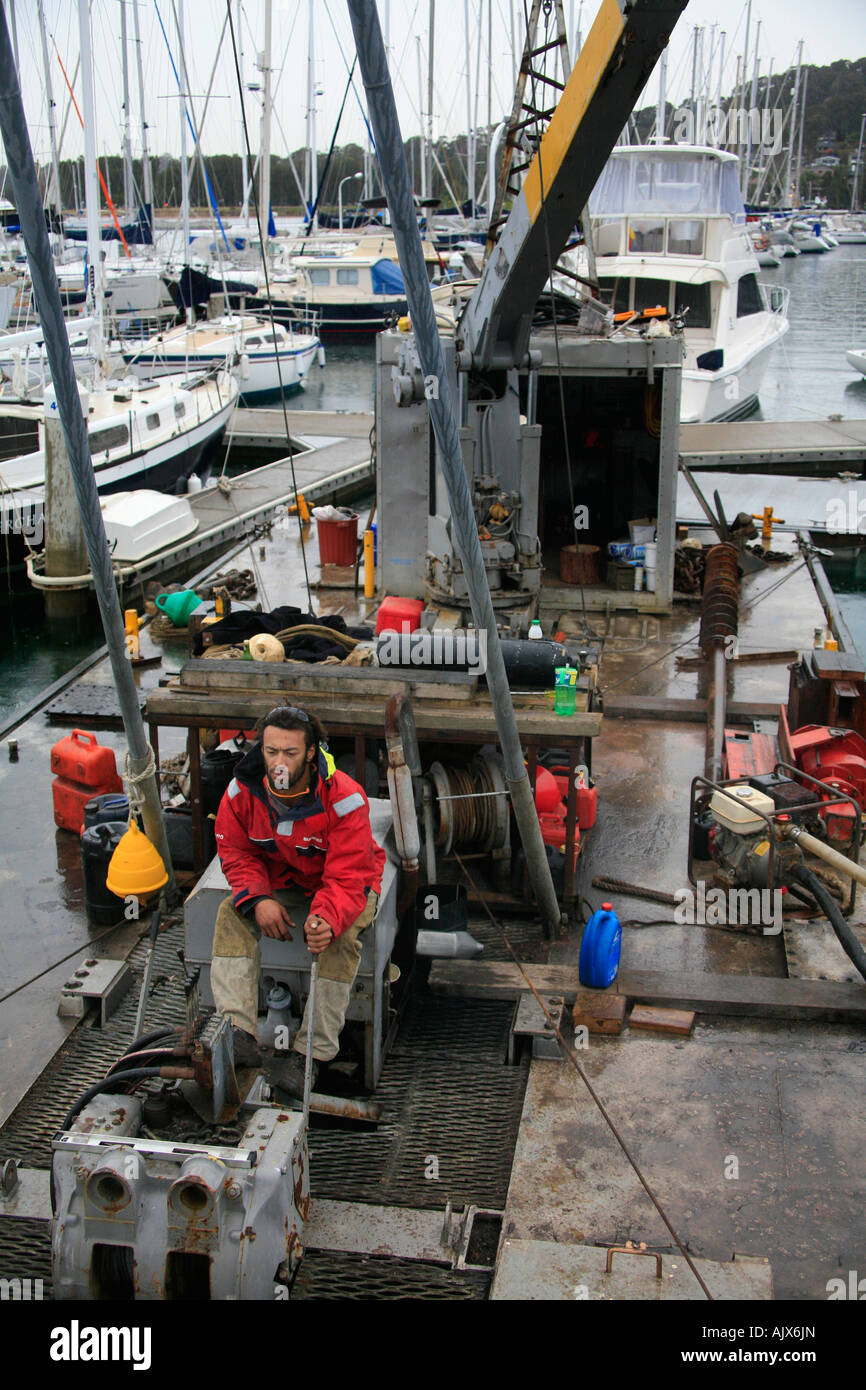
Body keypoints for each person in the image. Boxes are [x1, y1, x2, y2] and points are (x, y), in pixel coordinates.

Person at [211, 704, 385, 1099]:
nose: (278, 763)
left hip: (348, 883)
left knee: (339, 942)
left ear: (310, 753)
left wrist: (325, 918)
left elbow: (348, 874)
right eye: (271, 752)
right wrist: (257, 899)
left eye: (290, 753)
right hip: (284, 878)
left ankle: (312, 1056)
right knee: (229, 914)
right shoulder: (241, 792)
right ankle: (237, 1032)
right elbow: (236, 852)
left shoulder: (346, 799)